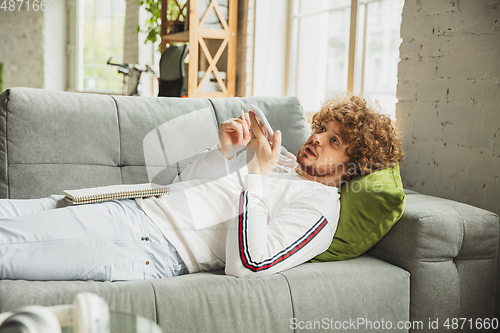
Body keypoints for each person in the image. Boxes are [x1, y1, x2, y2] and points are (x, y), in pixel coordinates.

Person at [0, 94, 404, 281]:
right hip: (129, 205)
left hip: (144, 242)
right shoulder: (280, 163)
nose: (317, 139)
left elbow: (250, 263)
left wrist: (257, 176)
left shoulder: (320, 210)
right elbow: (186, 189)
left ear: (353, 166)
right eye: (321, 129)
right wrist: (224, 153)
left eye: (335, 141)